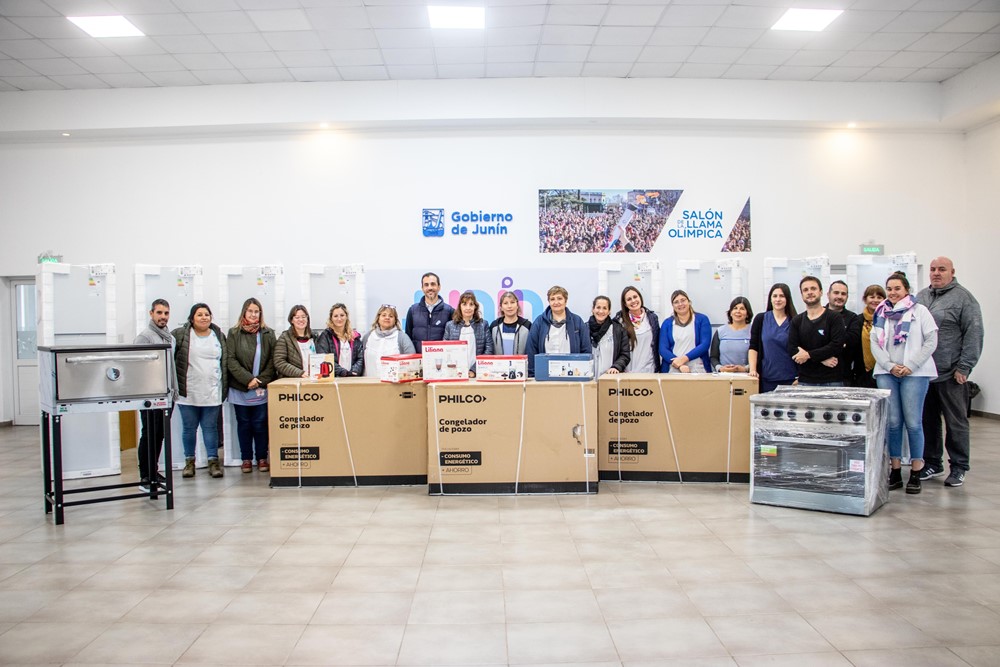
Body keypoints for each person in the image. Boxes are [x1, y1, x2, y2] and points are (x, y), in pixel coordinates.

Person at [918, 256, 984, 487]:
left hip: (951, 374)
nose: (936, 273)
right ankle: (932, 463)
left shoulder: (964, 299)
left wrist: (964, 367)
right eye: (933, 269)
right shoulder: (922, 297)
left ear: (952, 272)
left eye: (941, 269)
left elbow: (974, 334)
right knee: (928, 420)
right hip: (924, 373)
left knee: (956, 423)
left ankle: (959, 466)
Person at [871, 272, 938, 495]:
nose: (892, 292)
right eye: (889, 288)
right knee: (893, 423)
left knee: (913, 423)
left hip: (915, 373)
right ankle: (895, 471)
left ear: (906, 289)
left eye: (897, 288)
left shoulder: (920, 311)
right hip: (887, 372)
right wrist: (890, 366)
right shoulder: (881, 313)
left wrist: (910, 365)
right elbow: (875, 345)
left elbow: (931, 341)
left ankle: (917, 471)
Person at [172, 303, 226, 480]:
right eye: (199, 314)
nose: (204, 317)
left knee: (210, 428)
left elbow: (224, 361)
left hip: (212, 390)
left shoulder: (218, 335)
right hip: (188, 391)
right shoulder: (181, 335)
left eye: (207, 314)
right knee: (189, 428)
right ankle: (189, 462)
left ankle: (213, 461)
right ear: (192, 317)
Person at [227, 298, 276, 474]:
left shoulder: (268, 333)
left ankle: (262, 458)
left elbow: (272, 361)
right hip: (241, 387)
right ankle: (246, 458)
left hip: (261, 388)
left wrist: (260, 380)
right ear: (244, 312)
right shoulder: (234, 333)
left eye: (257, 311)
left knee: (260, 423)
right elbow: (230, 359)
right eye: (250, 311)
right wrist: (247, 379)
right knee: (244, 424)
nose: (254, 314)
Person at [133, 298, 178, 492]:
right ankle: (145, 475)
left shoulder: (169, 337)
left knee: (159, 435)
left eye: (166, 313)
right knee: (149, 434)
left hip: (166, 393)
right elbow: (137, 366)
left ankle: (154, 470)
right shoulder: (145, 337)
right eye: (159, 313)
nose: (163, 317)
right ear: (151, 314)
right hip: (150, 395)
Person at [788, 276, 847, 386]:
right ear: (802, 295)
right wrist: (821, 359)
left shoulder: (834, 318)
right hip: (805, 381)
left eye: (813, 288)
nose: (809, 292)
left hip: (832, 381)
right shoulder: (797, 320)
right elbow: (792, 348)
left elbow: (836, 345)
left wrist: (808, 355)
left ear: (821, 292)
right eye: (805, 290)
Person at [524, 286, 591, 377]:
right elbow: (531, 349)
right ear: (549, 302)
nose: (556, 302)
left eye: (559, 298)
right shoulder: (539, 322)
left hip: (572, 374)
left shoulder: (577, 321)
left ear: (565, 301)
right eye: (552, 299)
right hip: (545, 373)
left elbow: (586, 348)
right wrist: (532, 374)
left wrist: (583, 372)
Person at [748, 283, 798, 392]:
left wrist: (800, 377)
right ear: (770, 299)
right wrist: (753, 370)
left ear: (787, 299)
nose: (778, 299)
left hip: (791, 379)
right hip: (767, 378)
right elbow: (753, 347)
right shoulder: (761, 319)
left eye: (782, 296)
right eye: (775, 296)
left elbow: (802, 350)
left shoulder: (795, 320)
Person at [659, 290, 712, 373]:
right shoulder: (667, 323)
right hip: (673, 367)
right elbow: (663, 348)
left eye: (683, 300)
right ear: (673, 306)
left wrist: (684, 359)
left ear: (689, 302)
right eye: (676, 302)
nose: (680, 304)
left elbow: (705, 344)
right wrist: (679, 364)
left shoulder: (702, 319)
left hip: (698, 367)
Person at [443, 291, 494, 377]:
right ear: (460, 306)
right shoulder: (450, 325)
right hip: (455, 374)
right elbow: (445, 350)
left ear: (475, 307)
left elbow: (489, 350)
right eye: (464, 304)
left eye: (471, 304)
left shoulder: (483, 324)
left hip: (477, 374)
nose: (468, 308)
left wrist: (473, 370)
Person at [361, 304, 416, 378]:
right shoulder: (368, 337)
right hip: (369, 383)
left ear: (395, 320)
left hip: (394, 386)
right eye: (384, 315)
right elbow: (360, 360)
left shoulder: (402, 338)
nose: (387, 318)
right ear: (378, 318)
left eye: (391, 316)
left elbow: (412, 362)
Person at [404, 272, 455, 351]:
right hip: (418, 360)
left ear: (439, 287)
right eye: (426, 285)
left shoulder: (449, 311)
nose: (430, 287)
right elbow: (407, 339)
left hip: (441, 360)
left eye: (433, 284)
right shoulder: (413, 311)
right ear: (422, 288)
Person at [615, 286, 660, 373]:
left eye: (635, 297)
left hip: (650, 370)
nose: (633, 301)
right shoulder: (619, 321)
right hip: (628, 371)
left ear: (640, 297)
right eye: (629, 299)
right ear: (625, 304)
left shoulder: (652, 318)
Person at [826, 280, 859, 385]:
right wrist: (840, 343)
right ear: (828, 294)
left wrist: (826, 339)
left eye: (843, 294)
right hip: (817, 375)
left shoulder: (853, 318)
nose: (840, 296)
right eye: (836, 293)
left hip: (843, 376)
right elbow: (810, 341)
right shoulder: (818, 315)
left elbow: (852, 340)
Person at [315, 303, 363, 376]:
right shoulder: (326, 336)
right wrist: (343, 372)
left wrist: (353, 372)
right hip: (333, 379)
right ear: (331, 318)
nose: (339, 319)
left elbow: (360, 358)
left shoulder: (354, 336)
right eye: (335, 316)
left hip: (352, 378)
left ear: (346, 317)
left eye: (342, 315)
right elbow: (324, 358)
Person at [854, 284, 886, 388]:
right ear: (865, 299)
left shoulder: (889, 319)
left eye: (879, 297)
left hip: (885, 370)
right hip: (862, 371)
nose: (875, 300)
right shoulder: (857, 320)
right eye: (872, 297)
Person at [589, 296, 630, 375]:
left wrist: (616, 367)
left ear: (609, 311)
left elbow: (625, 354)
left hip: (610, 379)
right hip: (589, 380)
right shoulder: (584, 329)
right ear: (593, 309)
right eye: (598, 307)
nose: (601, 311)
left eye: (605, 308)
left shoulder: (619, 330)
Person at [710, 297, 753, 373]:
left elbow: (760, 357)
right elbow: (713, 357)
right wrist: (721, 368)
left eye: (742, 309)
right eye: (735, 308)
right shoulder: (720, 331)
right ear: (730, 312)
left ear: (747, 314)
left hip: (747, 376)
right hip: (723, 376)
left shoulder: (753, 331)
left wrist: (745, 368)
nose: (738, 311)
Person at [273, 305, 315, 379]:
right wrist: (300, 373)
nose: (301, 319)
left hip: (313, 379)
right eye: (297, 317)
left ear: (307, 318)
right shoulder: (284, 338)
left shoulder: (315, 337)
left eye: (303, 317)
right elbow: (279, 362)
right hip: (293, 382)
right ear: (292, 320)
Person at [488, 291, 531, 355]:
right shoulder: (494, 326)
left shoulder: (527, 325)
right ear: (501, 307)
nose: (509, 306)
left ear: (517, 305)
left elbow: (531, 349)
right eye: (505, 303)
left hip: (521, 364)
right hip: (498, 364)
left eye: (512, 302)